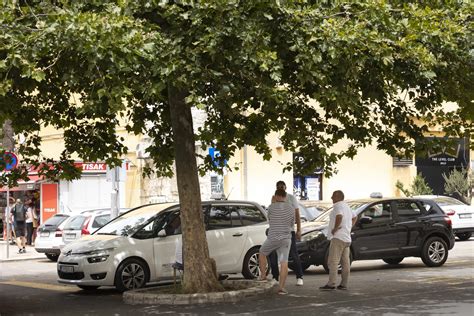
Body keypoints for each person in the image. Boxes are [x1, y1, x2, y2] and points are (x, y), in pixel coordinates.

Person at [258, 188, 295, 295]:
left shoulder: (271, 207)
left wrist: (272, 202)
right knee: (284, 263)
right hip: (286, 239)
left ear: (276, 196)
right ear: (284, 196)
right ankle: (281, 288)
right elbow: (292, 223)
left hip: (273, 238)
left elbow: (270, 219)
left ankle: (263, 276)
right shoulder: (291, 208)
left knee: (262, 253)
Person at [320, 190, 357, 290]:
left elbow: (339, 216)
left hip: (338, 237)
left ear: (338, 197)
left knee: (333, 261)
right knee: (345, 262)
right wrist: (349, 227)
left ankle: (331, 283)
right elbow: (355, 217)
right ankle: (344, 284)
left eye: (333, 196)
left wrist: (335, 228)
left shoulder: (338, 205)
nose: (331, 198)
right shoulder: (347, 206)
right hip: (346, 238)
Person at [268, 180, 304, 286]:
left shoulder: (291, 198)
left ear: (285, 188)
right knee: (273, 254)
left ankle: (299, 276)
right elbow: (271, 215)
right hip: (276, 231)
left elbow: (297, 214)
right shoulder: (274, 198)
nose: (280, 188)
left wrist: (299, 230)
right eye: (278, 187)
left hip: (289, 231)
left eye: (282, 187)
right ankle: (275, 277)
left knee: (293, 253)